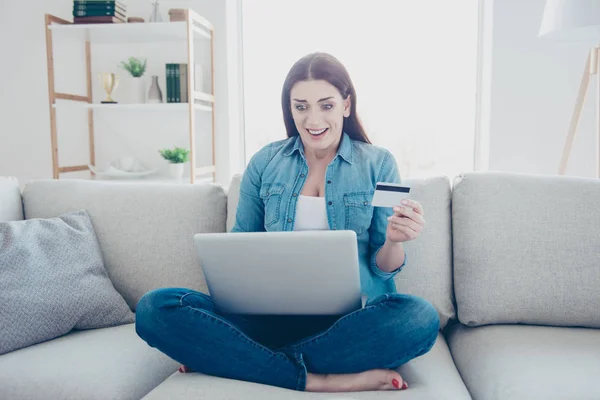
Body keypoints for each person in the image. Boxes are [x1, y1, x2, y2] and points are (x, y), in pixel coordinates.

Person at [135, 52, 440, 393]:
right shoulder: (264, 162)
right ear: (289, 109)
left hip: (348, 324)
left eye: (325, 105)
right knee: (155, 308)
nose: (313, 119)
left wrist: (395, 240)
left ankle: (238, 359)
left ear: (346, 105)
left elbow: (384, 269)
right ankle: (316, 379)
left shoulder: (380, 163)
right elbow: (239, 247)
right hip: (266, 319)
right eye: (301, 106)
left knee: (419, 319)